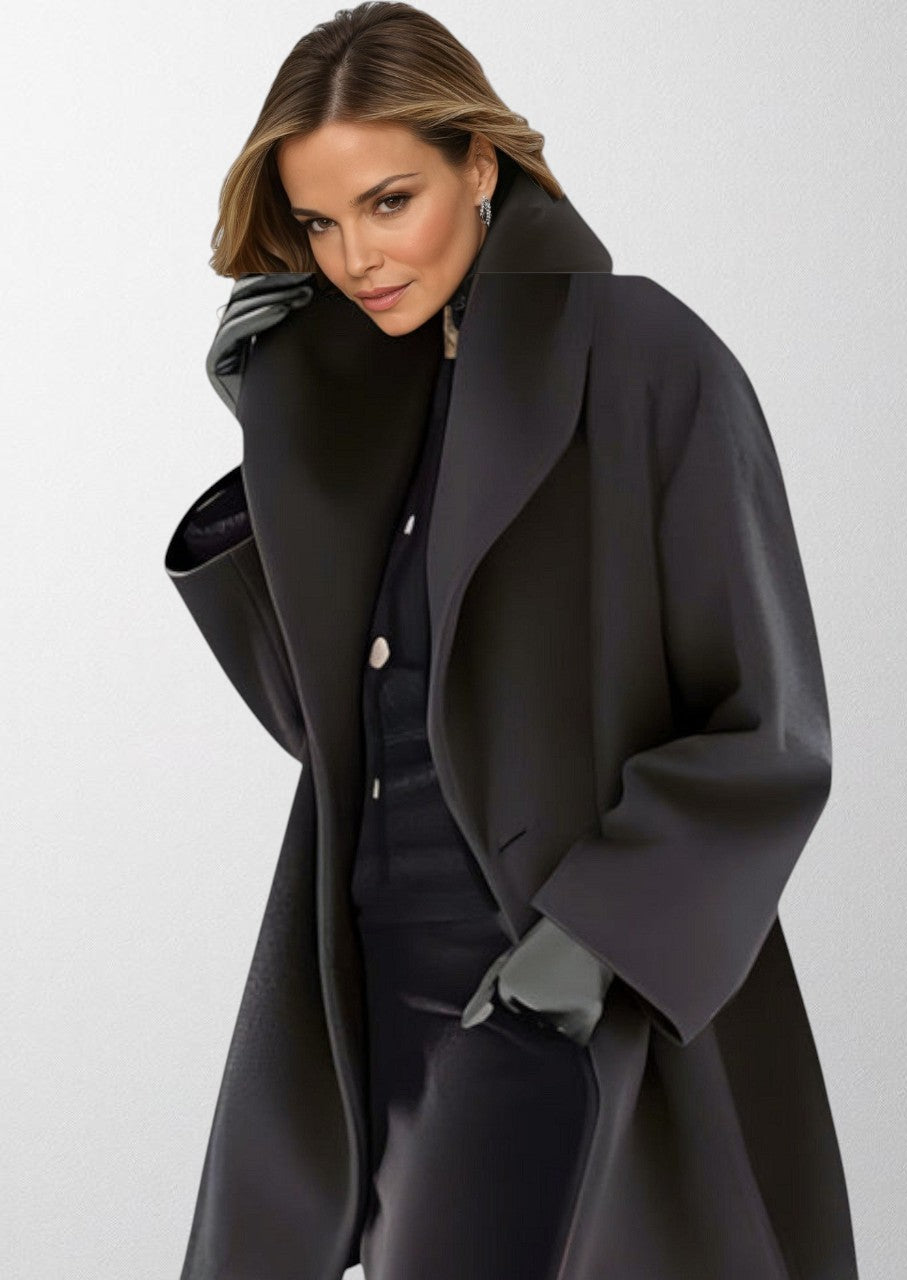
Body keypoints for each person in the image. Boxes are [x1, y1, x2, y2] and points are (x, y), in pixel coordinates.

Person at [164, 4, 859, 1278]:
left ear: (479, 163)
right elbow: (327, 728)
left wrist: (590, 940)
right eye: (318, 224)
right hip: (365, 987)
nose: (355, 258)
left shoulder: (645, 356)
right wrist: (279, 444)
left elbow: (767, 725)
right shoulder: (366, 389)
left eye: (388, 201)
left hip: (558, 994)